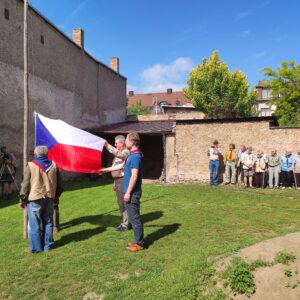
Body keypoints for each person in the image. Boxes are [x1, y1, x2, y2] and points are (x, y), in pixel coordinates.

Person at [101, 132, 144, 252]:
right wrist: (104, 170)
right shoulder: (131, 155)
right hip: (127, 190)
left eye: (127, 140)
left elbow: (134, 176)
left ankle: (139, 243)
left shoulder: (135, 156)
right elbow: (119, 167)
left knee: (135, 218)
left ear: (133, 141)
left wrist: (128, 192)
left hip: (132, 192)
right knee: (133, 216)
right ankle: (137, 241)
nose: (126, 142)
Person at [19, 145, 63, 253]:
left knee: (34, 224)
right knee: (48, 222)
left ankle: (36, 248)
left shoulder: (30, 165)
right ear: (46, 154)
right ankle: (47, 246)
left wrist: (22, 199)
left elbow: (25, 185)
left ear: (35, 154)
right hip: (49, 198)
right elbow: (60, 185)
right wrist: (56, 196)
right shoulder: (54, 165)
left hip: (34, 198)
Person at [104, 135, 130, 232]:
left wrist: (108, 146)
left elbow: (121, 156)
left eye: (116, 143)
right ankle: (125, 222)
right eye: (114, 143)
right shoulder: (119, 153)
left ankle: (125, 224)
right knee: (120, 203)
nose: (115, 144)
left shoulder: (126, 152)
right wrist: (114, 183)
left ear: (122, 143)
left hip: (122, 180)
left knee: (123, 203)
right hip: (118, 180)